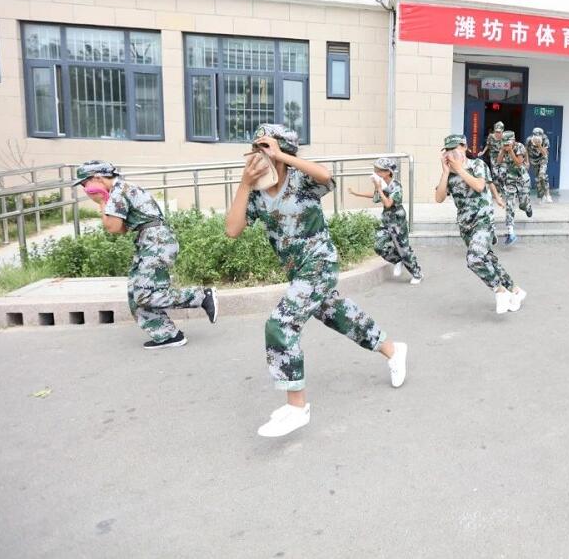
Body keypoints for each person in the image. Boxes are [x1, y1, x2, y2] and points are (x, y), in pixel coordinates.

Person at [225, 124, 407, 438]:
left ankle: (296, 407)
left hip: (320, 262)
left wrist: (282, 156)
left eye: (264, 150)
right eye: (255, 150)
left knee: (280, 324)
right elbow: (232, 229)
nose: (258, 157)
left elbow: (326, 176)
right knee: (339, 315)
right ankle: (393, 349)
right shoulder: (256, 193)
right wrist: (244, 183)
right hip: (298, 271)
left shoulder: (301, 180)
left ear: (281, 153)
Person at [74, 160, 217, 349]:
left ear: (97, 178)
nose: (85, 189)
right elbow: (122, 228)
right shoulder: (122, 189)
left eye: (85, 183)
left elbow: (113, 227)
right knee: (135, 294)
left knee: (146, 294)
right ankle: (167, 335)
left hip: (156, 242)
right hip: (151, 241)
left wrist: (101, 202)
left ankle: (201, 296)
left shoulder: (118, 192)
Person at [435, 134, 526, 314]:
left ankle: (500, 291)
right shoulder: (449, 174)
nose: (451, 153)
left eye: (454, 148)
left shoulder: (477, 165)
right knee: (488, 260)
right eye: (447, 150)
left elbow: (479, 186)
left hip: (483, 221)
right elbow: (439, 198)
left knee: (474, 258)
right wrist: (445, 173)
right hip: (466, 226)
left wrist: (460, 169)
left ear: (464, 147)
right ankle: (516, 291)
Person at [348, 157, 422, 285]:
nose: (376, 172)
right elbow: (376, 197)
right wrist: (356, 193)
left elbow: (388, 203)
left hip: (397, 222)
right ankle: (397, 260)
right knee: (379, 246)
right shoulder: (381, 184)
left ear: (388, 172)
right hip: (387, 221)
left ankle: (417, 273)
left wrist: (378, 188)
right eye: (375, 170)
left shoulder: (396, 186)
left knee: (403, 250)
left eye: (379, 170)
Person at [497, 130, 533, 245]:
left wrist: (511, 151)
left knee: (522, 204)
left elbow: (518, 163)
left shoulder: (520, 147)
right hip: (510, 181)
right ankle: (511, 232)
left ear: (513, 140)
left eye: (508, 142)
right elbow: (498, 161)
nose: (507, 144)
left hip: (522, 180)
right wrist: (502, 151)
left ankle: (527, 207)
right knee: (510, 205)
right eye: (505, 142)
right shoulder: (504, 148)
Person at [527, 127, 552, 203]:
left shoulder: (545, 139)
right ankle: (541, 196)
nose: (536, 137)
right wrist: (527, 161)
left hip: (542, 159)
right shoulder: (529, 140)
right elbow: (526, 151)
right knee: (538, 179)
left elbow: (545, 153)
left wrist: (539, 145)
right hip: (533, 160)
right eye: (535, 135)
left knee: (542, 175)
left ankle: (547, 194)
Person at [486, 121, 506, 187]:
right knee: (495, 174)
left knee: (502, 173)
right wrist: (483, 152)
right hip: (493, 156)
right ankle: (496, 189)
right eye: (496, 131)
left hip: (503, 156)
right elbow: (488, 145)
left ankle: (502, 188)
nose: (498, 133)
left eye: (499, 131)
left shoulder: (506, 136)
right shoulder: (491, 136)